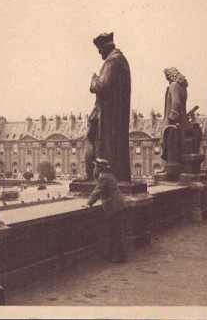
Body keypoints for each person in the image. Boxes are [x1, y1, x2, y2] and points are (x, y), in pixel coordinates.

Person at [89, 32, 131, 182]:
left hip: (110, 116)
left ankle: (108, 179)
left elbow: (102, 85)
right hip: (117, 114)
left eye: (100, 50)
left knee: (107, 147)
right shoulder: (122, 60)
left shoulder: (112, 61)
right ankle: (118, 177)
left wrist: (93, 80)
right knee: (117, 148)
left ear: (106, 47)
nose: (99, 53)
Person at [86, 158, 129, 263]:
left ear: (99, 168)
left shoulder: (103, 177)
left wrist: (89, 203)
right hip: (119, 206)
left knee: (116, 233)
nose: (94, 168)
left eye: (96, 166)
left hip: (114, 208)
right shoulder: (110, 175)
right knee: (117, 232)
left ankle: (120, 257)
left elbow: (97, 190)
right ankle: (116, 255)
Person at [158, 67, 188, 179]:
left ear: (171, 75)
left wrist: (171, 118)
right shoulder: (183, 87)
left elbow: (176, 103)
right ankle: (175, 166)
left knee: (166, 141)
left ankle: (166, 167)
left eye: (167, 77)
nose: (167, 80)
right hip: (182, 120)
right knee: (177, 144)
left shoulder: (174, 85)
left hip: (173, 119)